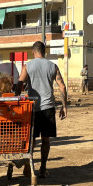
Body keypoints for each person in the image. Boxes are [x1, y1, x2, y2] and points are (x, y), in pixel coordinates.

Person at [16, 41, 67, 178]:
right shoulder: (53, 66)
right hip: (48, 107)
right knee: (46, 140)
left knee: (31, 140)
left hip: (32, 108)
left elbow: (19, 84)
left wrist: (15, 101)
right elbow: (62, 87)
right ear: (44, 52)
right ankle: (43, 168)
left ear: (33, 52)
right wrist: (64, 106)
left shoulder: (27, 66)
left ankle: (29, 166)